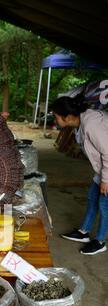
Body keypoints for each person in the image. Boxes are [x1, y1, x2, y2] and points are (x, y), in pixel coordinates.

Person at [51, 95, 108, 255]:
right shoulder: (81, 122)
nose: (55, 120)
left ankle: (100, 241)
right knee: (92, 198)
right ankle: (84, 232)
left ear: (67, 117)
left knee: (104, 205)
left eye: (56, 116)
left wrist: (106, 180)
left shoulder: (91, 125)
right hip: (103, 169)